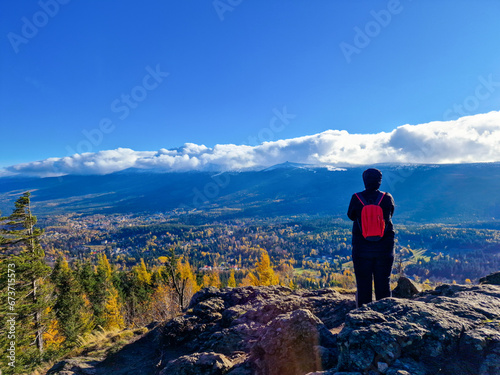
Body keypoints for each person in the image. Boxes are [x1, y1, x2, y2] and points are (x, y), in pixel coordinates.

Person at [347, 168, 395, 308]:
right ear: (379, 181)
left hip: (361, 247)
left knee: (363, 284)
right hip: (384, 247)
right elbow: (390, 215)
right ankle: (385, 315)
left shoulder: (356, 198)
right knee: (383, 283)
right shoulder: (386, 197)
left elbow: (351, 216)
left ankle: (363, 318)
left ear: (364, 181)